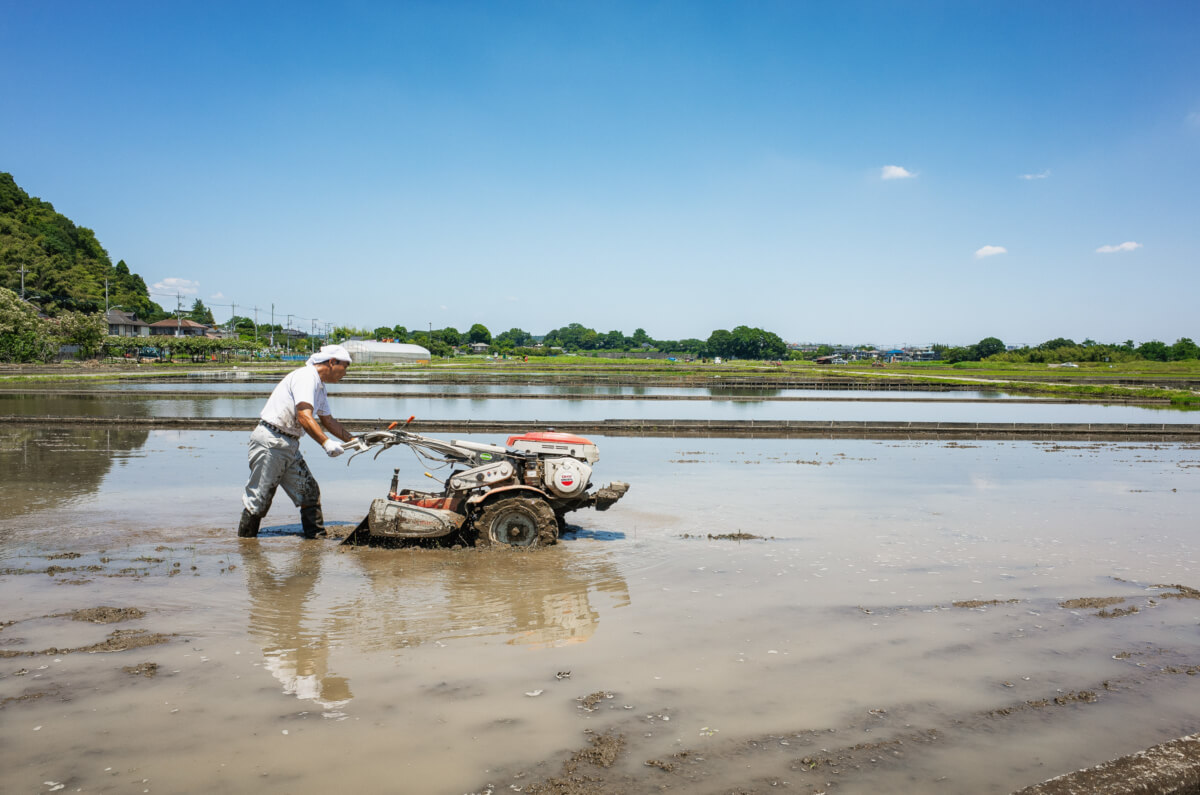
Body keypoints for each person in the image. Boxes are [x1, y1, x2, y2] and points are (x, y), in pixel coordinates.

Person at [237, 344, 355, 539]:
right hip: (271, 441)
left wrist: (353, 441)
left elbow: (328, 420)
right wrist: (326, 443)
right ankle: (246, 544)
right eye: (345, 366)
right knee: (259, 498)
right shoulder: (306, 377)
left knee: (309, 492)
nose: (345, 372)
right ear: (332, 362)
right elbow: (304, 416)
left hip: (288, 444)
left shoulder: (319, 386)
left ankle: (315, 539)